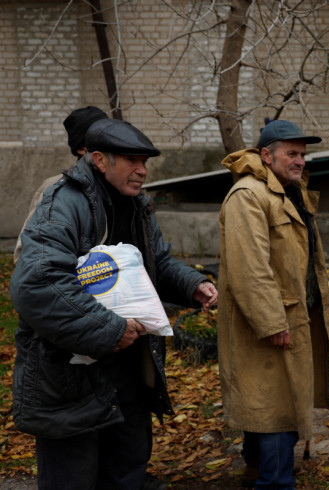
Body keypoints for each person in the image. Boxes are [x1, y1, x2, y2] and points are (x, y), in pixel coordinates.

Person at [10, 118, 218, 489]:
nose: (142, 171)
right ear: (99, 160)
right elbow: (37, 285)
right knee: (73, 479)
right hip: (69, 380)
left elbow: (158, 263)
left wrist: (193, 285)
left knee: (126, 473)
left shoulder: (136, 204)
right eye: (132, 160)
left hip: (128, 375)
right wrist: (110, 329)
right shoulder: (62, 203)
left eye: (145, 162)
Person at [217, 119, 329, 489]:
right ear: (266, 156)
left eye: (303, 154)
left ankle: (257, 467)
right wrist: (271, 322)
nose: (300, 161)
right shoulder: (248, 196)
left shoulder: (287, 190)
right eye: (292, 153)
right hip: (271, 322)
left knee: (269, 398)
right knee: (276, 405)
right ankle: (275, 481)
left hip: (292, 316)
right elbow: (249, 266)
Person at [13, 105, 108, 263]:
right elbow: (26, 256)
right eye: (103, 137)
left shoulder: (125, 187)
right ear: (82, 149)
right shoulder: (54, 188)